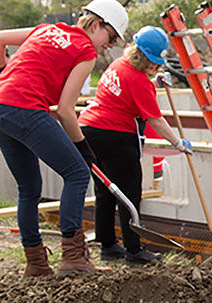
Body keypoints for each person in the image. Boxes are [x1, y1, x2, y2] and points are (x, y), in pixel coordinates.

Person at [0, 0, 129, 277]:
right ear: (97, 23)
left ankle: (36, 264)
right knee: (76, 173)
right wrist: (82, 147)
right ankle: (73, 257)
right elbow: (65, 110)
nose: (109, 46)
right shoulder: (86, 50)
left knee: (28, 188)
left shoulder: (46, 29)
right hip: (25, 109)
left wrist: (4, 73)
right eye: (111, 37)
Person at [78, 26, 193, 265]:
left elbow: (126, 90)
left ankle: (108, 245)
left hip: (89, 131)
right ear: (140, 55)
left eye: (156, 65)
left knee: (106, 192)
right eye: (151, 64)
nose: (154, 67)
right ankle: (134, 251)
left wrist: (154, 81)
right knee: (129, 194)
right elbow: (155, 119)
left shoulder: (119, 65)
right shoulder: (139, 80)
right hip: (114, 136)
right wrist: (177, 142)